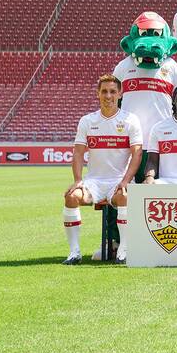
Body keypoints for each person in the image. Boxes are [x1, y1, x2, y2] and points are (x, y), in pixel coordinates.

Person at [62, 74, 141, 264]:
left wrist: (125, 180)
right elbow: (79, 153)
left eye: (113, 91)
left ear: (120, 94)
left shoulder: (130, 120)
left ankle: (123, 250)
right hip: (94, 182)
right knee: (71, 197)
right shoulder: (87, 121)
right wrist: (78, 179)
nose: (108, 96)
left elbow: (136, 154)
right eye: (104, 91)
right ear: (97, 94)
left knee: (125, 197)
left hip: (118, 180)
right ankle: (74, 252)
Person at [112, 11, 177, 170]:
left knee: (157, 190)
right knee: (126, 191)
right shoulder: (123, 67)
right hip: (129, 141)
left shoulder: (173, 69)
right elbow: (114, 103)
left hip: (161, 140)